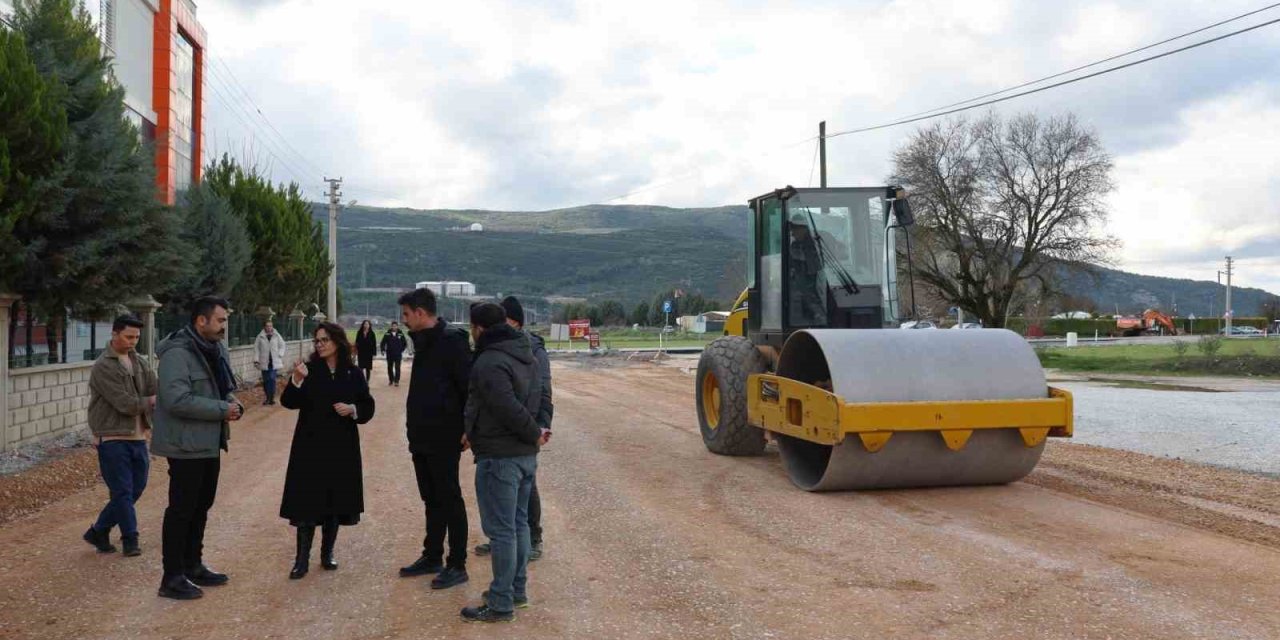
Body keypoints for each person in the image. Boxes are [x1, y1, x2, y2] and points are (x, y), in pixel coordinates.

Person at [151, 296, 245, 601]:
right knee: (181, 510)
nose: (224, 326)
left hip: (208, 443)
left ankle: (193, 565)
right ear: (200, 321)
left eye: (225, 320)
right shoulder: (177, 353)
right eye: (220, 320)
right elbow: (176, 399)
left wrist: (231, 401)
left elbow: (222, 386)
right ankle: (171, 577)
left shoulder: (215, 349)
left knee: (201, 507)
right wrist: (221, 408)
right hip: (184, 445)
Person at [459, 302, 547, 623]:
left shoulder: (490, 361)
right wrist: (534, 433)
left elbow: (505, 407)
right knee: (519, 524)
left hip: (501, 457)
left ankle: (500, 602)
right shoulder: (525, 353)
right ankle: (516, 591)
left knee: (503, 532)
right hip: (523, 456)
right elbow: (538, 397)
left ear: (479, 328)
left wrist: (532, 432)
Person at [279, 323, 375, 579]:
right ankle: (301, 560)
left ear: (337, 342)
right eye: (317, 340)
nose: (319, 344)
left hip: (341, 447)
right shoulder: (309, 371)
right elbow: (288, 402)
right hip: (309, 446)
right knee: (307, 503)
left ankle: (327, 553)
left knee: (335, 500)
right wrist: (296, 380)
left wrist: (353, 409)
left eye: (324, 340)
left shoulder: (353, 373)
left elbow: (368, 405)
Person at [396, 288, 472, 590]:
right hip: (422, 435)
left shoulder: (451, 342)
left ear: (420, 312)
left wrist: (469, 426)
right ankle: (433, 555)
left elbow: (468, 387)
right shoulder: (424, 343)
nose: (403, 320)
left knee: (449, 498)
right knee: (431, 498)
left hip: (444, 435)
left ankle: (457, 564)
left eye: (405, 314)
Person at [476, 296, 552, 562]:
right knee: (503, 492)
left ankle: (534, 537)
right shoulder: (497, 349)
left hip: (525, 429)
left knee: (526, 489)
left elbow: (543, 390)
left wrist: (541, 427)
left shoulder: (532, 349)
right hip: (502, 434)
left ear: (515, 322)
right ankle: (502, 540)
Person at [83, 314, 157, 558]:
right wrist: (154, 400)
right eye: (128, 336)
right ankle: (130, 538)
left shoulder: (140, 362)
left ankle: (99, 530)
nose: (133, 341)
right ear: (114, 334)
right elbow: (125, 404)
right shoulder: (103, 366)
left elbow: (154, 387)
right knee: (123, 491)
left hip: (137, 437)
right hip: (112, 437)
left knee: (136, 488)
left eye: (136, 337)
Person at [253, 321, 287, 405]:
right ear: (264, 327)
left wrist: (280, 354)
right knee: (266, 380)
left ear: (272, 327)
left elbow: (283, 345)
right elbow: (256, 349)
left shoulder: (276, 335)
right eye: (267, 326)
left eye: (270, 326)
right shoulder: (260, 337)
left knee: (271, 379)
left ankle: (271, 398)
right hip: (264, 362)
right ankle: (268, 397)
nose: (269, 328)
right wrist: (256, 359)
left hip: (274, 362)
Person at [379, 321, 408, 386]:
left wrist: (401, 350)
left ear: (397, 326)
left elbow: (405, 343)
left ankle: (396, 381)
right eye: (393, 326)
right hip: (389, 354)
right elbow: (383, 342)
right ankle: (391, 380)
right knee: (390, 367)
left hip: (398, 354)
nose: (394, 327)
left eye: (395, 326)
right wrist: (383, 350)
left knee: (397, 367)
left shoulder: (401, 334)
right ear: (391, 326)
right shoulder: (387, 334)